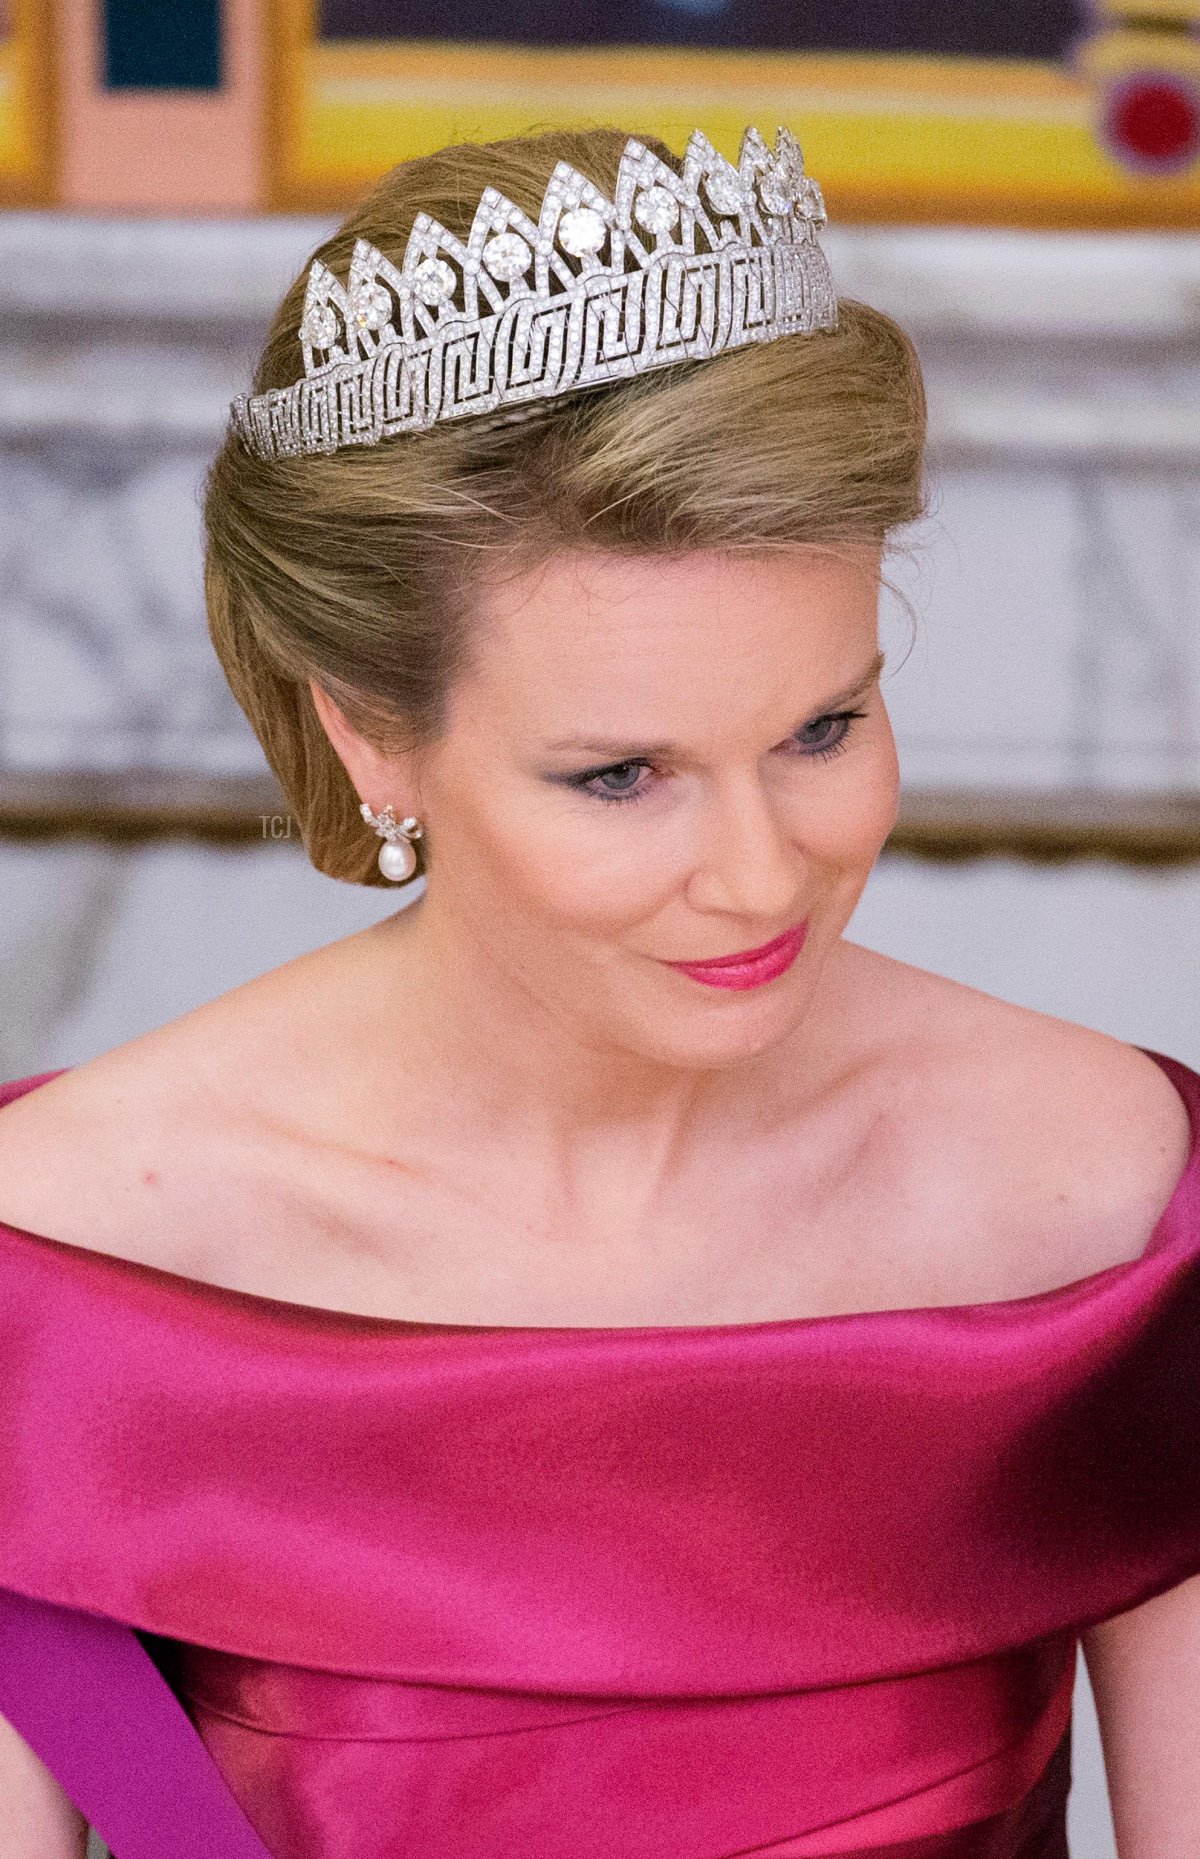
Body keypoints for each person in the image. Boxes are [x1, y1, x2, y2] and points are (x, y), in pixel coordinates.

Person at [0, 122, 1197, 1859]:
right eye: (621, 775)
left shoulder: (1115, 1205)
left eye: (822, 728)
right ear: (370, 733)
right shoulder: (56, 1266)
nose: (762, 874)